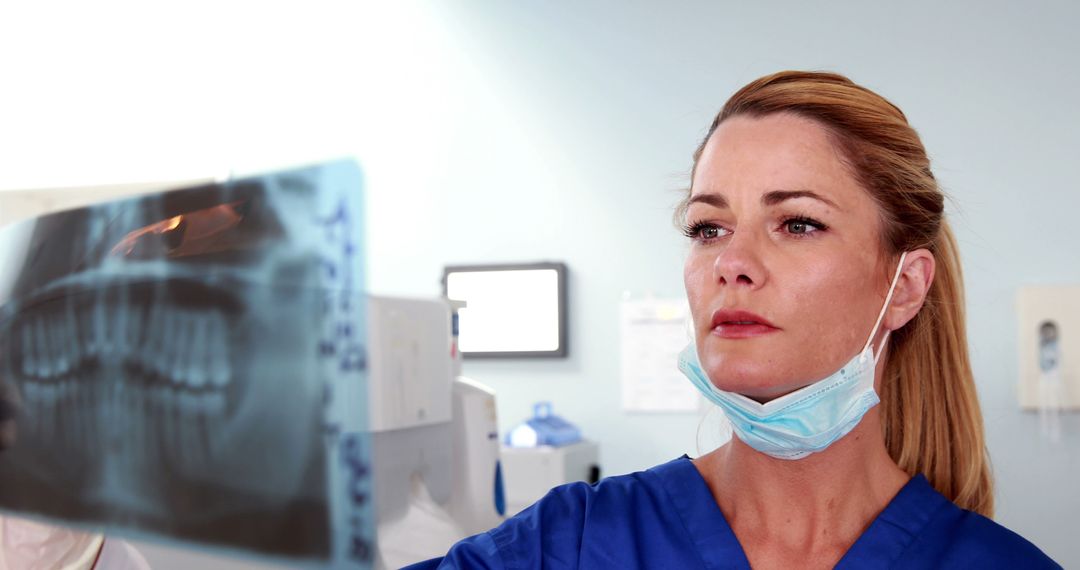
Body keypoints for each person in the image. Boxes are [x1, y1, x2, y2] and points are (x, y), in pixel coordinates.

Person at [406, 71, 1060, 568]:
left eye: (798, 223)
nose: (732, 263)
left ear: (904, 287)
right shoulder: (569, 545)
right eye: (708, 227)